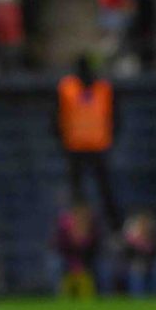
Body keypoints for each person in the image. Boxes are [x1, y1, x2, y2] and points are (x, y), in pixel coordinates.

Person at [55, 55, 122, 231]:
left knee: (105, 191)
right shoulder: (67, 88)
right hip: (75, 147)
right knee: (77, 193)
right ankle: (75, 230)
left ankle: (114, 227)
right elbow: (56, 117)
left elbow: (116, 116)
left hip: (97, 146)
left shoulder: (103, 89)